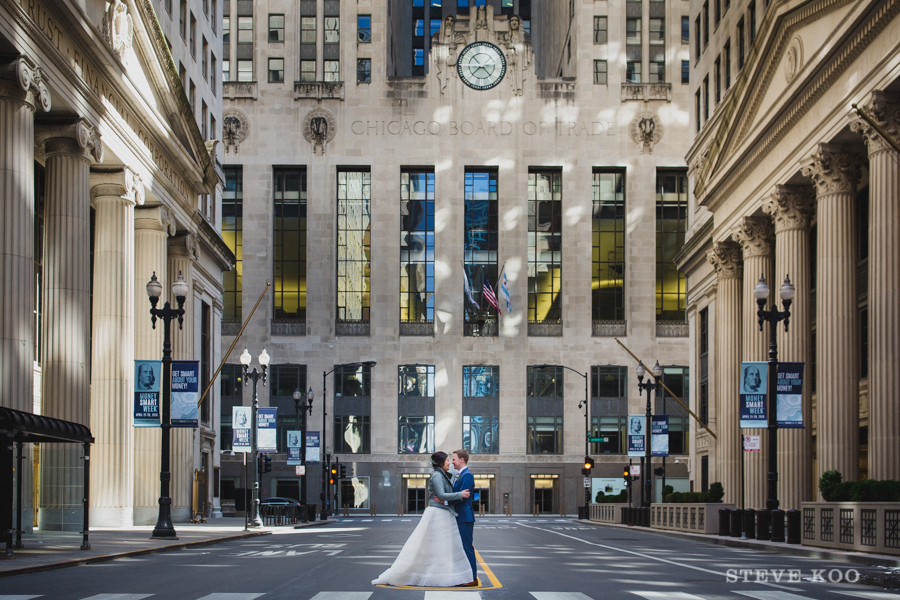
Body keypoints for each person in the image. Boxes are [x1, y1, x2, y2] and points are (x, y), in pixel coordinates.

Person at [372, 451, 472, 587]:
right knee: (431, 546)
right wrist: (459, 494)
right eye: (448, 460)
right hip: (438, 514)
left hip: (443, 513)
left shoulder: (442, 474)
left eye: (451, 459)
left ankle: (443, 574)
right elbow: (441, 495)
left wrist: (447, 498)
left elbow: (443, 495)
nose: (450, 463)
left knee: (442, 548)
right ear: (441, 462)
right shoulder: (437, 475)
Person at [449, 449, 478, 586]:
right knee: (461, 548)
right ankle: (464, 575)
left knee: (467, 547)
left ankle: (472, 578)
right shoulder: (459, 475)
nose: (452, 462)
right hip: (459, 516)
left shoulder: (467, 475)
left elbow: (462, 496)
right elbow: (458, 494)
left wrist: (445, 500)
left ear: (462, 460)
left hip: (465, 517)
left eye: (454, 459)